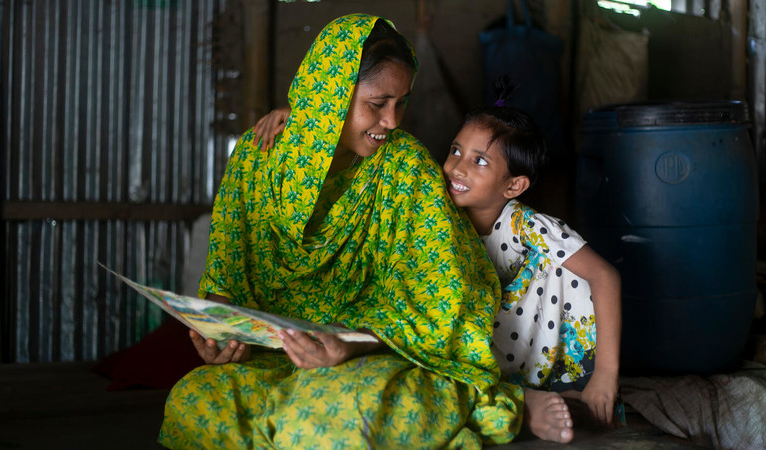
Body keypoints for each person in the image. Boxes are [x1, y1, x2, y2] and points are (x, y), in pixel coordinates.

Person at [159, 14, 573, 449]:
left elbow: (444, 290)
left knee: (319, 426)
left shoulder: (404, 168)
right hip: (273, 359)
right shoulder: (255, 156)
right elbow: (224, 278)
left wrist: (348, 343)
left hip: (373, 355)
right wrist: (217, 337)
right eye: (377, 104)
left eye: (401, 103)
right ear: (330, 96)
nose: (392, 121)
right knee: (193, 403)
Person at [441, 79, 624, 428]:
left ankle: (566, 390)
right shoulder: (443, 216)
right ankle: (514, 399)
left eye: (479, 160)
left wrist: (606, 375)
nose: (457, 167)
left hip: (549, 344)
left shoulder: (528, 226)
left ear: (513, 186)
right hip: (497, 342)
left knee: (562, 264)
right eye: (455, 150)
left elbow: (605, 276)